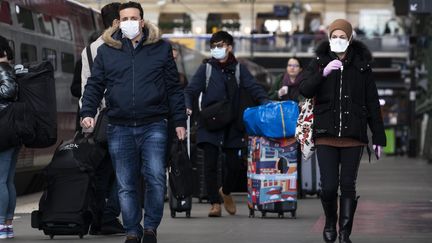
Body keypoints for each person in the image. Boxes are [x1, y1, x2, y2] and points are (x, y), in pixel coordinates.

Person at [80, 2, 186, 243]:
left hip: (154, 124)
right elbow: (95, 85)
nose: (129, 22)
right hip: (119, 126)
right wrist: (88, 111)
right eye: (124, 18)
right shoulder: (107, 50)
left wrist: (179, 120)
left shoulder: (161, 48)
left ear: (142, 21)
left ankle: (150, 227)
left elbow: (173, 88)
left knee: (155, 177)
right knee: (126, 182)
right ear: (118, 22)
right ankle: (131, 230)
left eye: (134, 18)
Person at [299, 19, 386, 243]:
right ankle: (330, 222)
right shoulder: (319, 62)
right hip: (325, 134)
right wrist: (323, 73)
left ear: (349, 39)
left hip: (353, 136)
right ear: (329, 38)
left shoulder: (362, 66)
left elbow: (373, 103)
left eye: (342, 37)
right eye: (334, 36)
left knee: (347, 185)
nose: (338, 40)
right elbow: (305, 89)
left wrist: (378, 137)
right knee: (328, 186)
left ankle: (344, 232)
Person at [184, 31, 268, 217]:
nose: (216, 49)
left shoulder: (239, 69)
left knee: (235, 165)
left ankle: (227, 191)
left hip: (232, 124)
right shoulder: (205, 69)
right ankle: (214, 203)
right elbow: (191, 90)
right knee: (210, 164)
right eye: (213, 46)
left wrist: (265, 103)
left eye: (220, 45)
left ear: (229, 47)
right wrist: (188, 106)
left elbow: (254, 88)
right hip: (210, 123)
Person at [79, 3, 125, 236]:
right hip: (120, 118)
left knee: (101, 172)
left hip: (98, 124)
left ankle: (97, 217)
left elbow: (86, 89)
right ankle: (109, 214)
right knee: (128, 170)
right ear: (116, 22)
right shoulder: (121, 48)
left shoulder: (88, 50)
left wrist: (88, 119)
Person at [0, 35, 19, 240]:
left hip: (3, 129)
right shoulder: (10, 68)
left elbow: (8, 90)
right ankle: (6, 224)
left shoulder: (2, 68)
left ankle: (1, 224)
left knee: (0, 180)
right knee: (7, 180)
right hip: (11, 128)